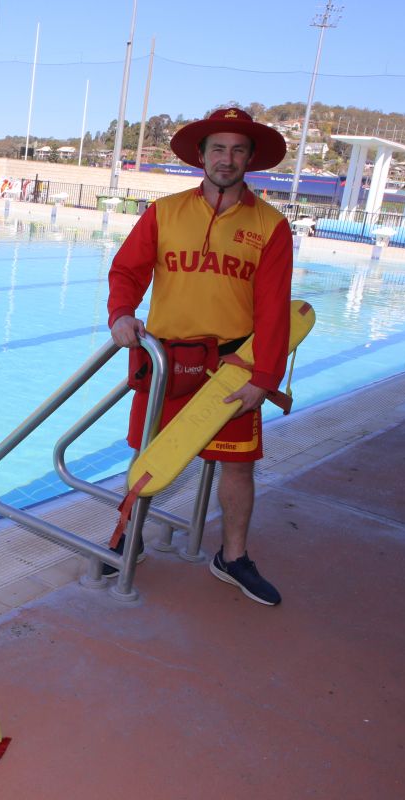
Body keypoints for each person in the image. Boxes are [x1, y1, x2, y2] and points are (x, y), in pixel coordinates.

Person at [107, 108, 293, 606]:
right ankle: (129, 536)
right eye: (218, 149)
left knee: (238, 468)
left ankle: (232, 557)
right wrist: (122, 313)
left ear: (250, 158)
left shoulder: (271, 225)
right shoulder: (165, 212)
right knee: (147, 455)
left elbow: (274, 308)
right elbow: (127, 270)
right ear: (201, 155)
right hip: (167, 362)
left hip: (231, 367)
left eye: (237, 150)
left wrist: (266, 375)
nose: (226, 159)